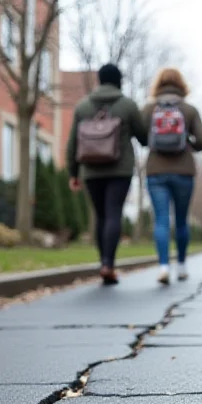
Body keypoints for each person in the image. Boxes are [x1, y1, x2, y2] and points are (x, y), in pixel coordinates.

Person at [67, 63, 147, 285]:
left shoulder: (82, 107)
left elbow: (72, 142)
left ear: (99, 80)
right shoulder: (128, 106)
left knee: (101, 216)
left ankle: (102, 261)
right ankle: (109, 264)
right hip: (119, 170)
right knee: (114, 214)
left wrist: (73, 173)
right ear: (119, 80)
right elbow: (144, 137)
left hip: (91, 171)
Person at [141, 68, 202, 285]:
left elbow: (142, 137)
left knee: (161, 219)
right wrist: (187, 141)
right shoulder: (189, 110)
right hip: (183, 171)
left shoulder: (150, 109)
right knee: (181, 220)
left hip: (156, 171)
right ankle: (181, 265)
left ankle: (163, 266)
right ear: (182, 85)